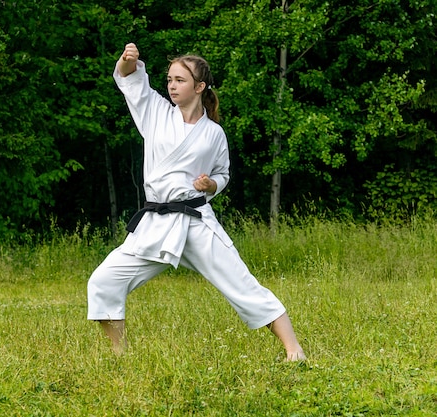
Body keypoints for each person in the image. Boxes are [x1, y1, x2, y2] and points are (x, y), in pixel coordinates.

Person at [87, 43, 306, 361]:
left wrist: (211, 184)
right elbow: (130, 80)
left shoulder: (214, 133)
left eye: (180, 80)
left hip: (195, 221)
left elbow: (223, 174)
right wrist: (126, 62)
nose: (172, 86)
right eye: (170, 79)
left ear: (200, 87)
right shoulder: (156, 113)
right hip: (156, 221)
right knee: (104, 280)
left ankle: (294, 351)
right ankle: (119, 356)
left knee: (241, 284)